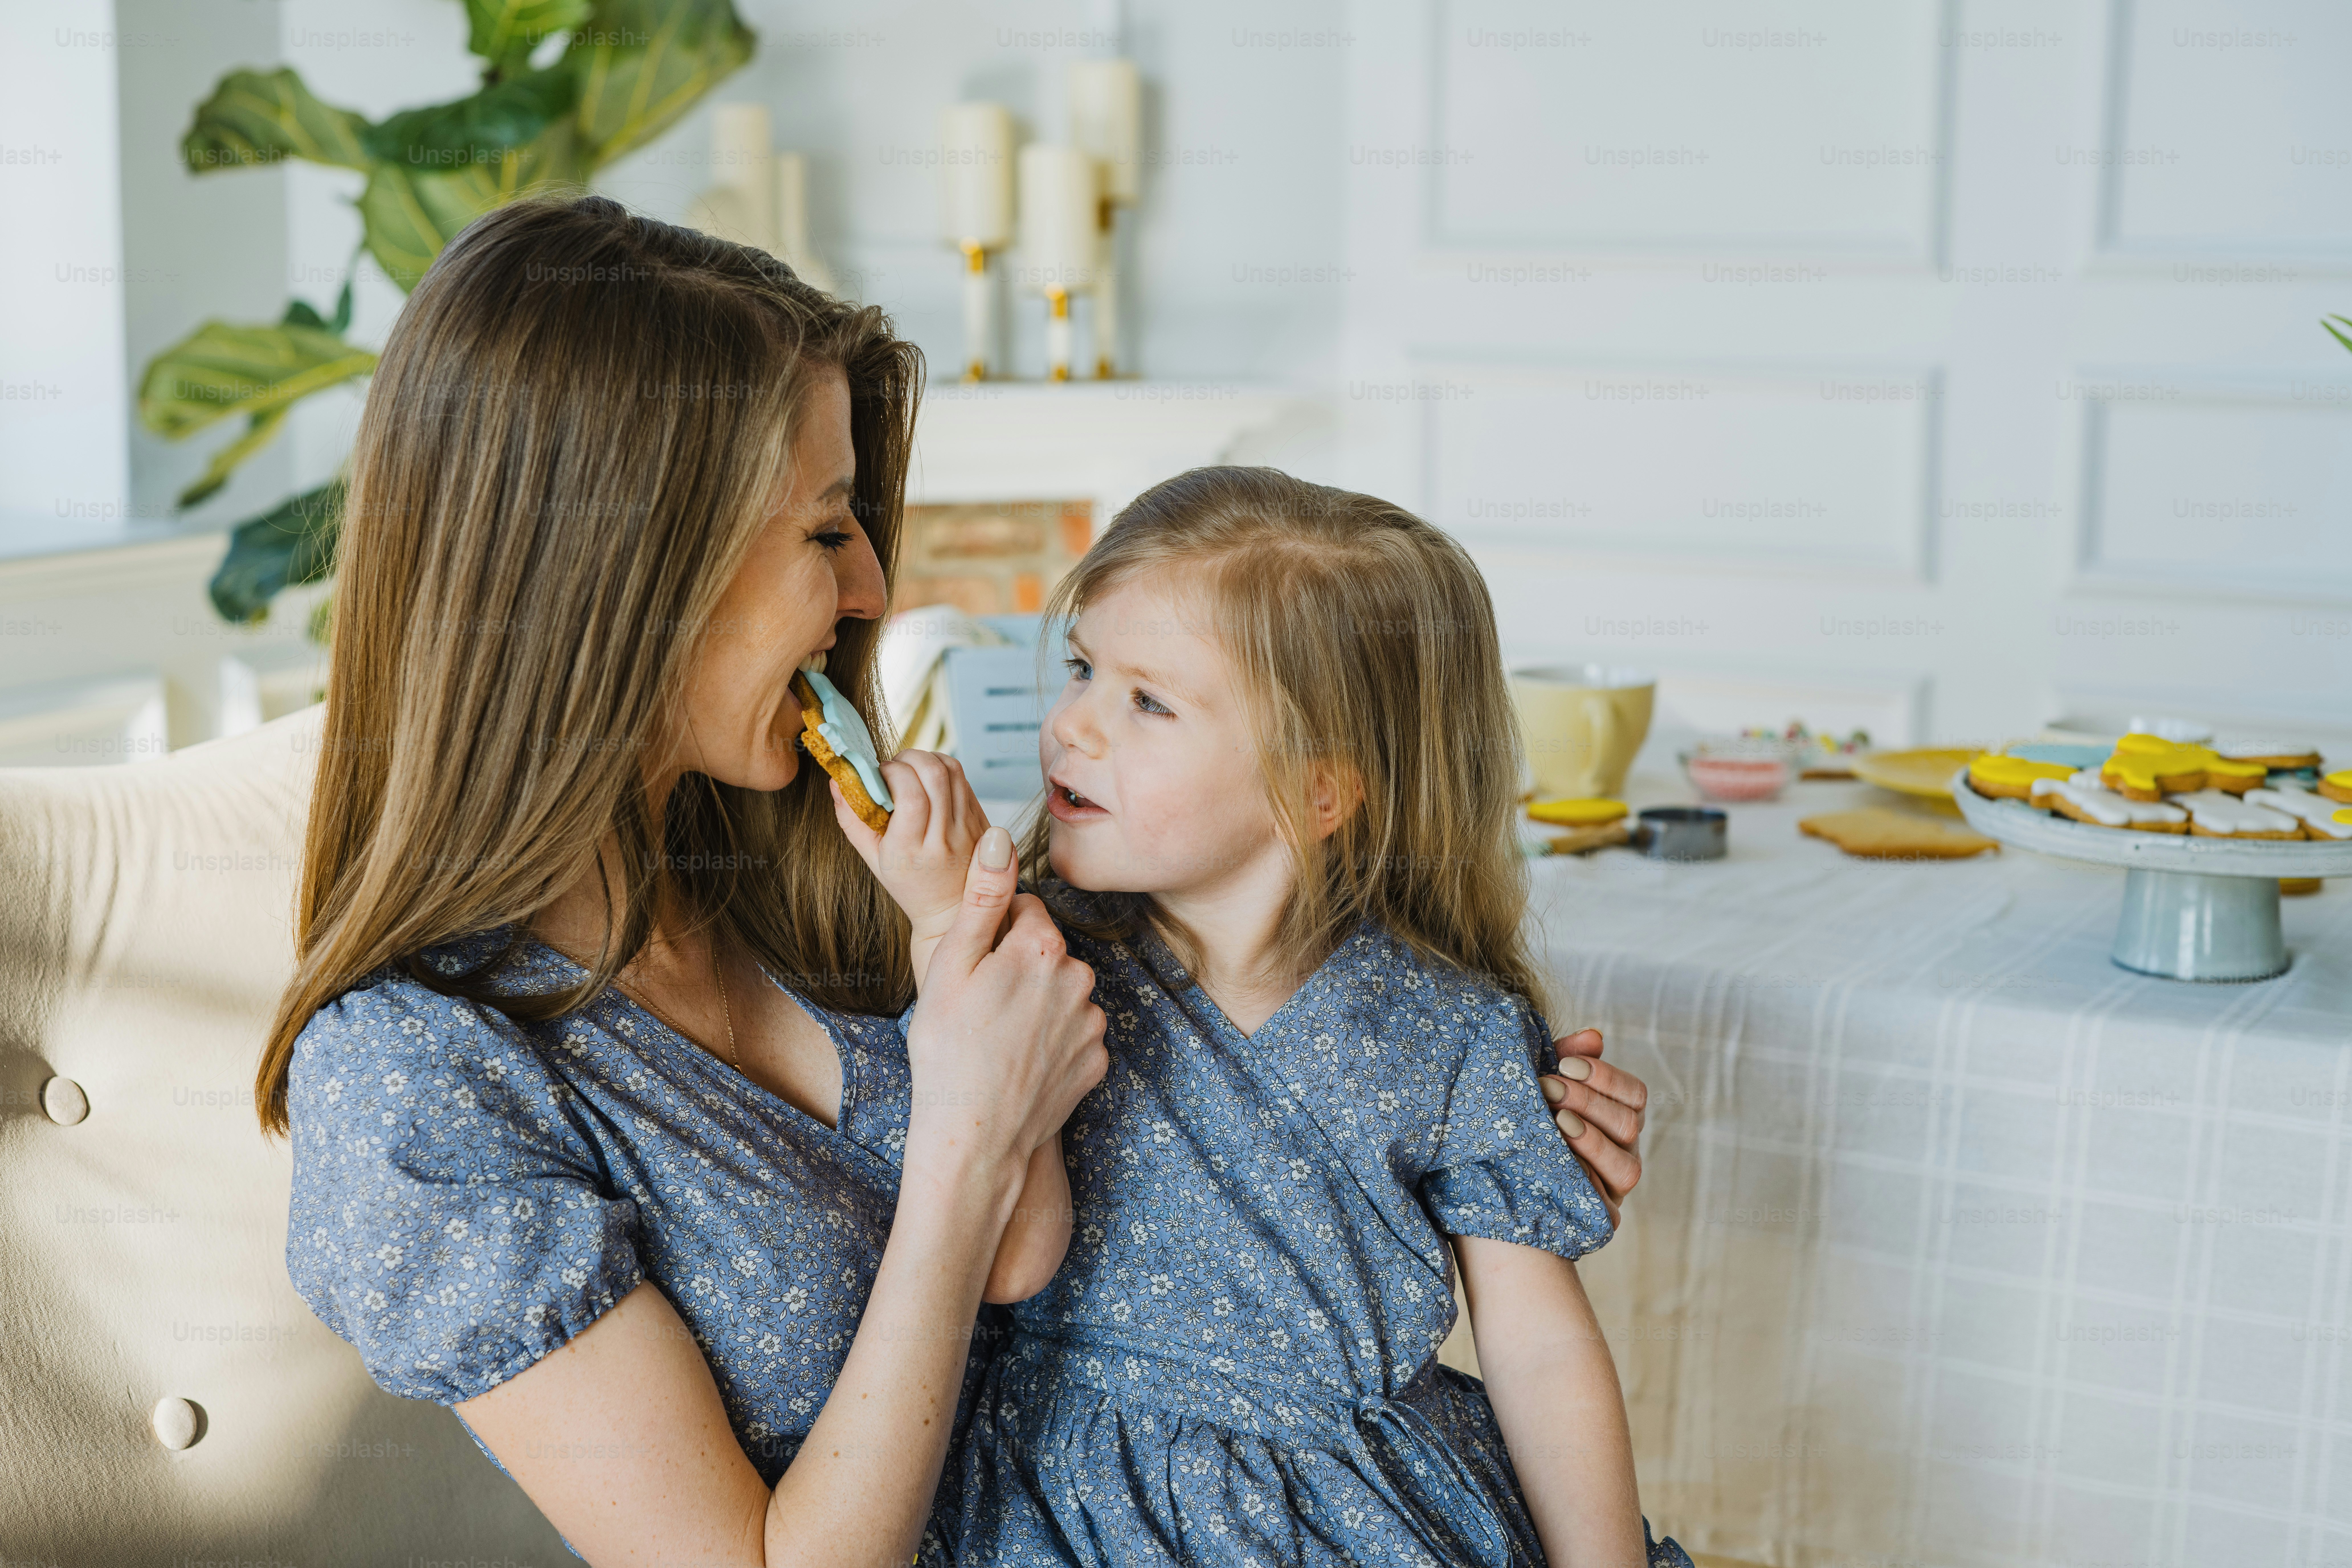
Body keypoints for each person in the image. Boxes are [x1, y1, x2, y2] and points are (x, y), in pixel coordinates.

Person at [259, 195, 1653, 1565]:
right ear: (622, 567)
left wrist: (1479, 1108)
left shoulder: (831, 866)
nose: (873, 585)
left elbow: (1243, 1096)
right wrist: (972, 1136)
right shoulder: (418, 1085)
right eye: (824, 529)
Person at [841, 467, 1690, 1566]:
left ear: (1316, 790)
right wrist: (954, 938)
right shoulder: (1041, 961)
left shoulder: (1452, 1032)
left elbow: (1537, 1352)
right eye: (1085, 669)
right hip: (1061, 1512)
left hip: (1352, 1519)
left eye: (1148, 702)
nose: (1073, 726)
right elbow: (1006, 1260)